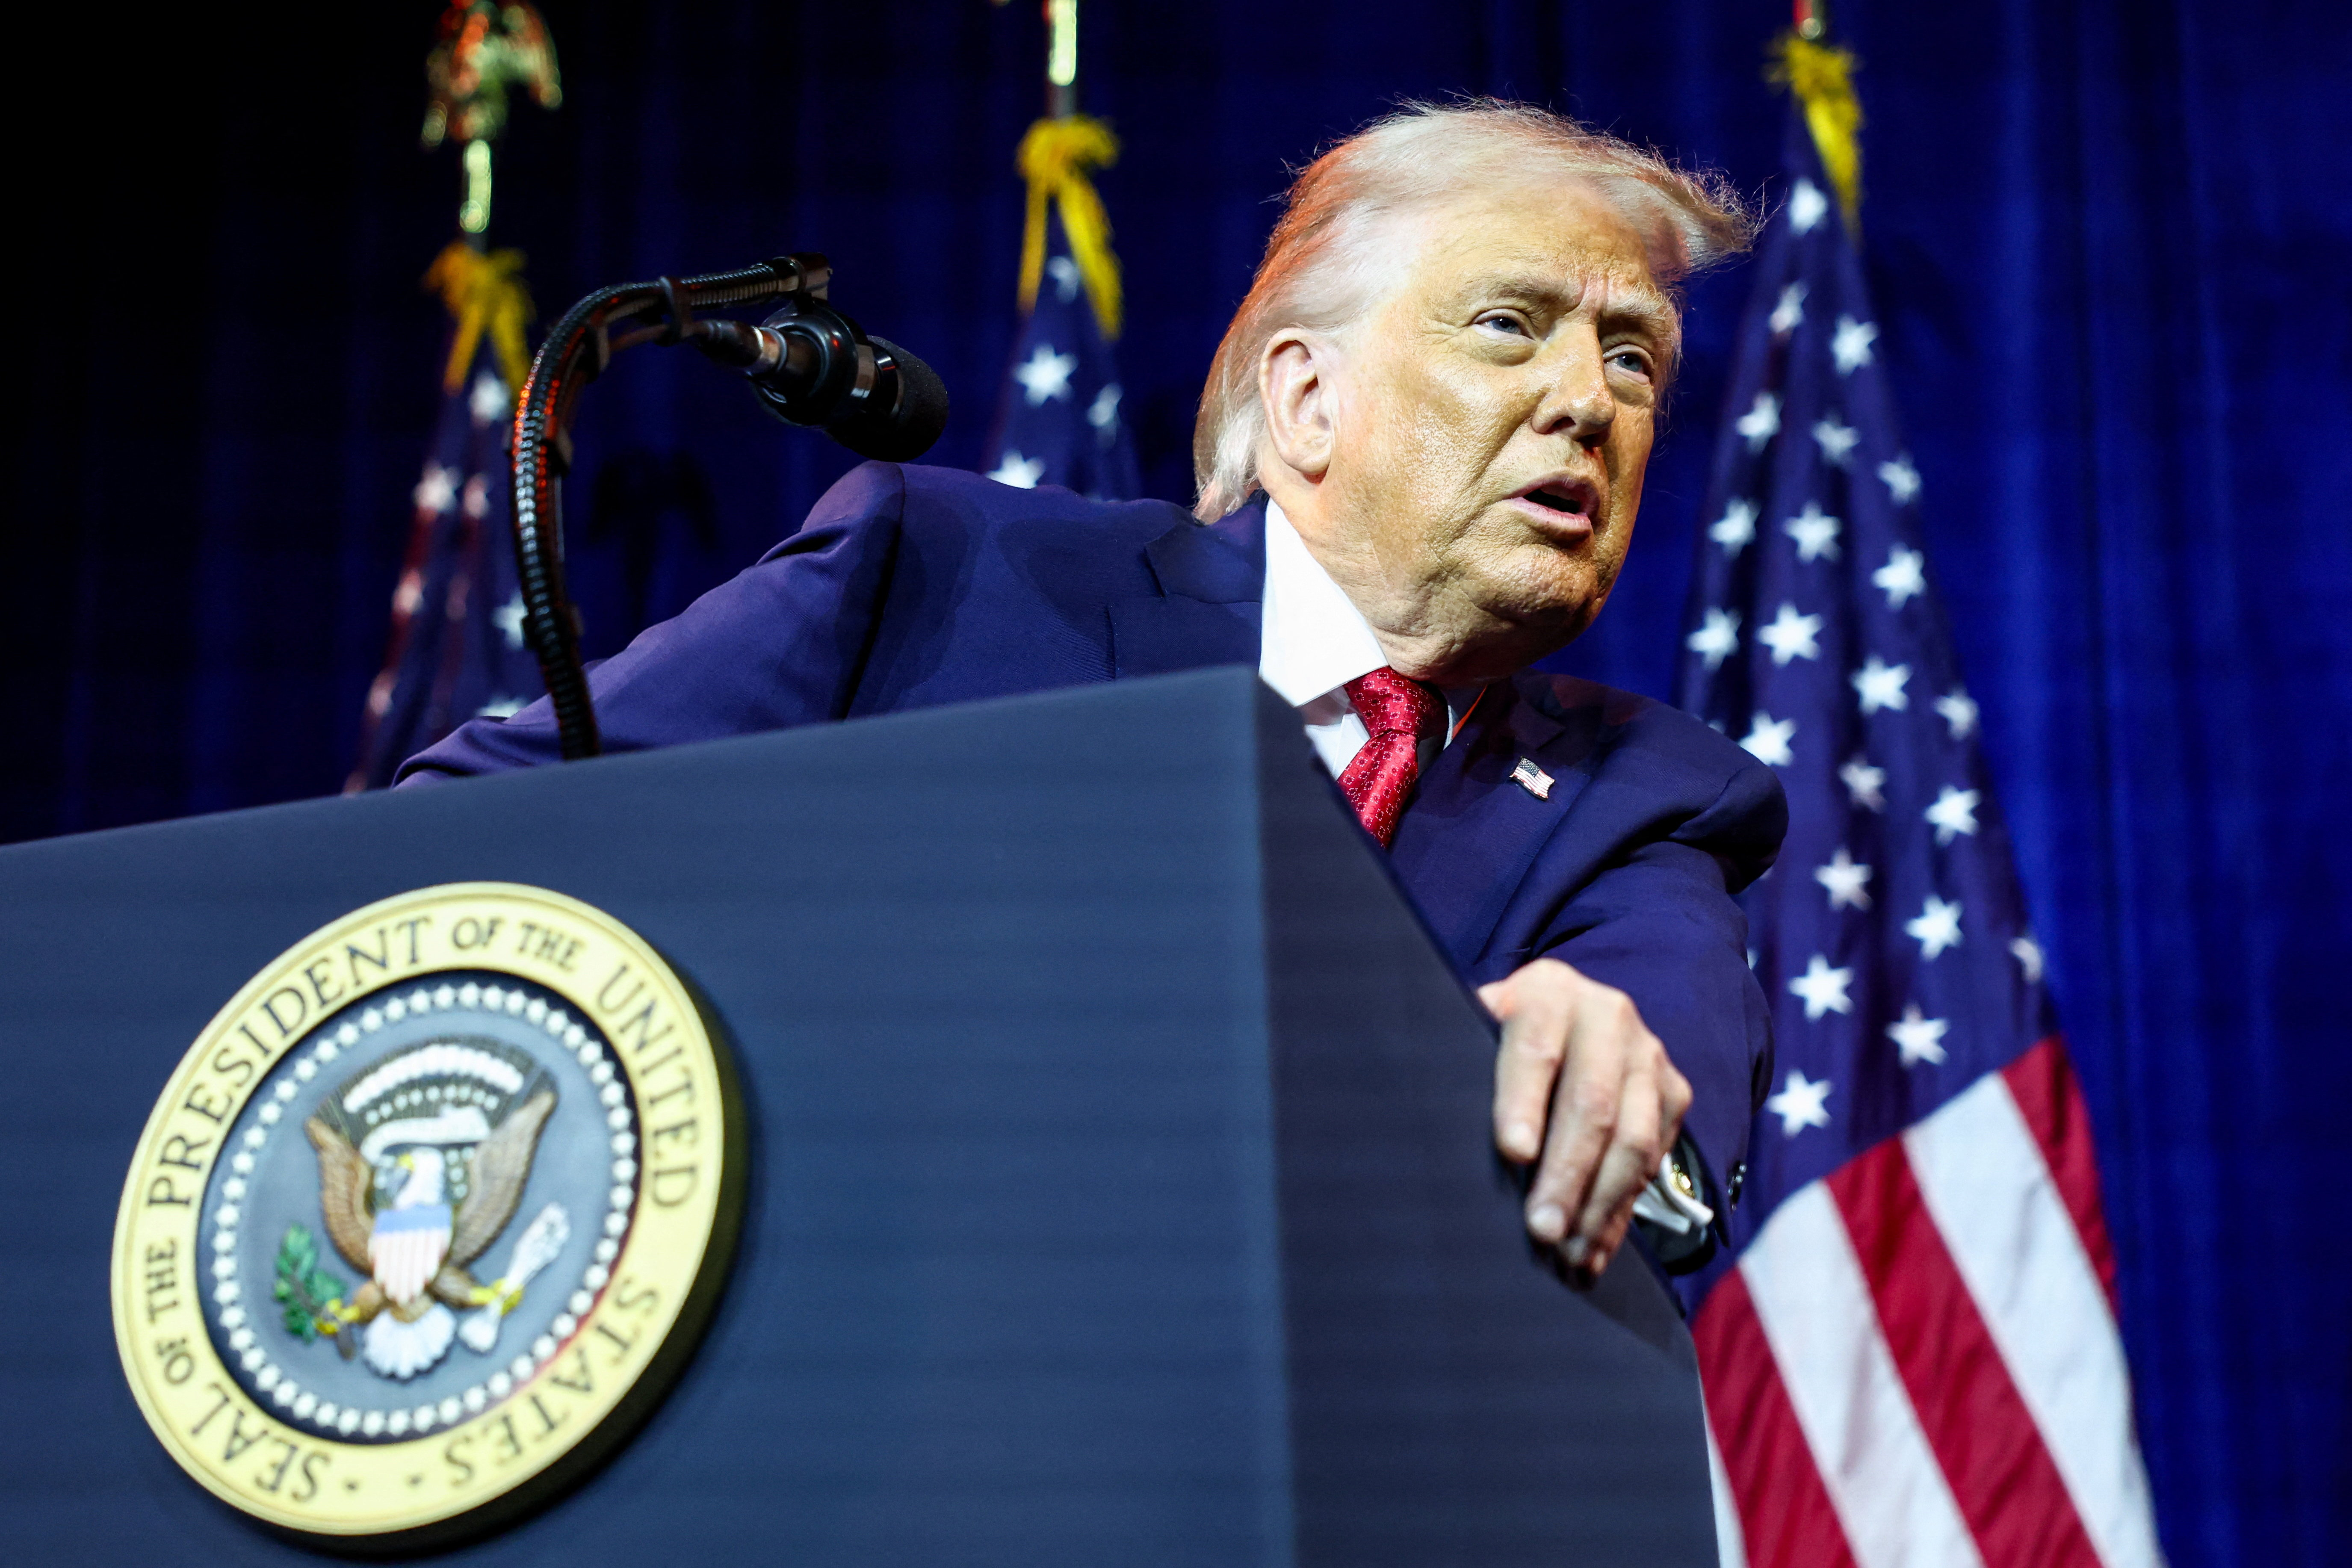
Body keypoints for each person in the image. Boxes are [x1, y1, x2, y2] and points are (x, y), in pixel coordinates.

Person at [401, 100, 1782, 1289]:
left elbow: (1659, 1104)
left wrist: (1597, 1068)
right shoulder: (943, 573)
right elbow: (461, 837)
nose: (1587, 403)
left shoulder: (1650, 799)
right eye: (1507, 326)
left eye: (1632, 358)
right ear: (1305, 401)